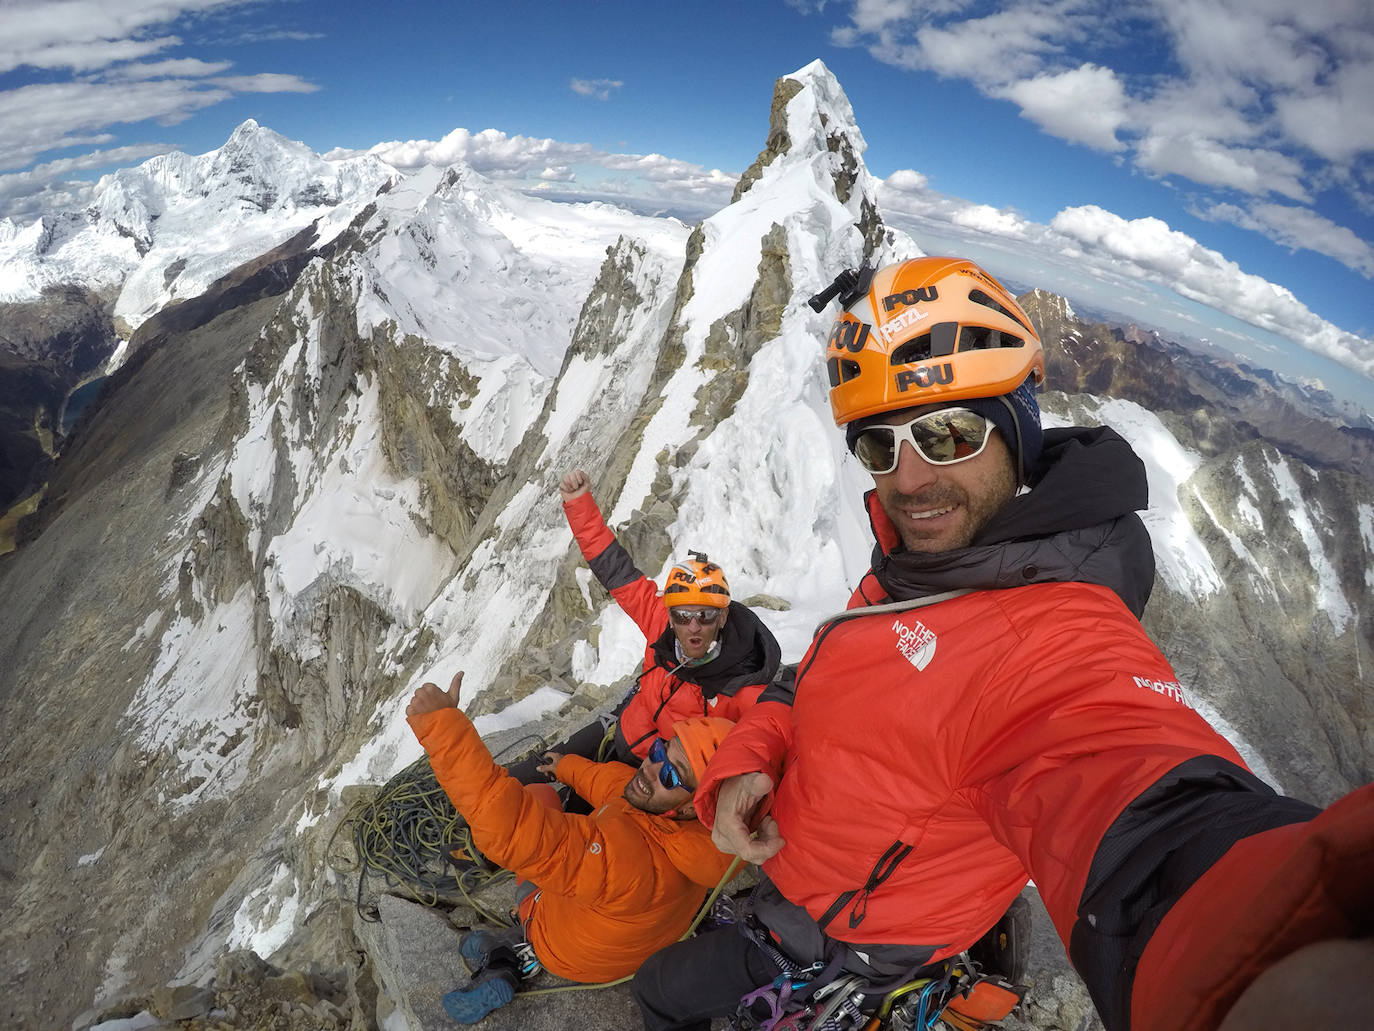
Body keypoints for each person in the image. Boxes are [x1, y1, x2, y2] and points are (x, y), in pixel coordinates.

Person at [631, 256, 1374, 1031]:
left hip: (854, 926)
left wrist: (1268, 959)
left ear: (1016, 427)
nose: (909, 479)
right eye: (879, 447)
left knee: (656, 990)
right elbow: (812, 682)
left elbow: (1141, 806)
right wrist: (751, 757)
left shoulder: (1051, 635)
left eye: (947, 433)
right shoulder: (920, 565)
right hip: (803, 866)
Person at [405, 670, 737, 1024]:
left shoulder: (624, 856)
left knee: (534, 806)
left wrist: (441, 727)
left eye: (673, 774)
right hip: (632, 945)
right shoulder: (708, 836)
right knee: (555, 800)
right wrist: (565, 766)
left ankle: (512, 954)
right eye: (659, 750)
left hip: (564, 947)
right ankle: (510, 948)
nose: (651, 769)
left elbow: (512, 830)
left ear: (690, 805)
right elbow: (612, 785)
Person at [505, 468, 782, 785]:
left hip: (660, 776)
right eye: (682, 615)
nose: (693, 626)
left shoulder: (743, 687)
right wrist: (578, 503)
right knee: (535, 771)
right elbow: (614, 568)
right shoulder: (659, 621)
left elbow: (770, 741)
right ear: (670, 614)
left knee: (578, 813)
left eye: (705, 615)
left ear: (722, 617)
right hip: (624, 728)